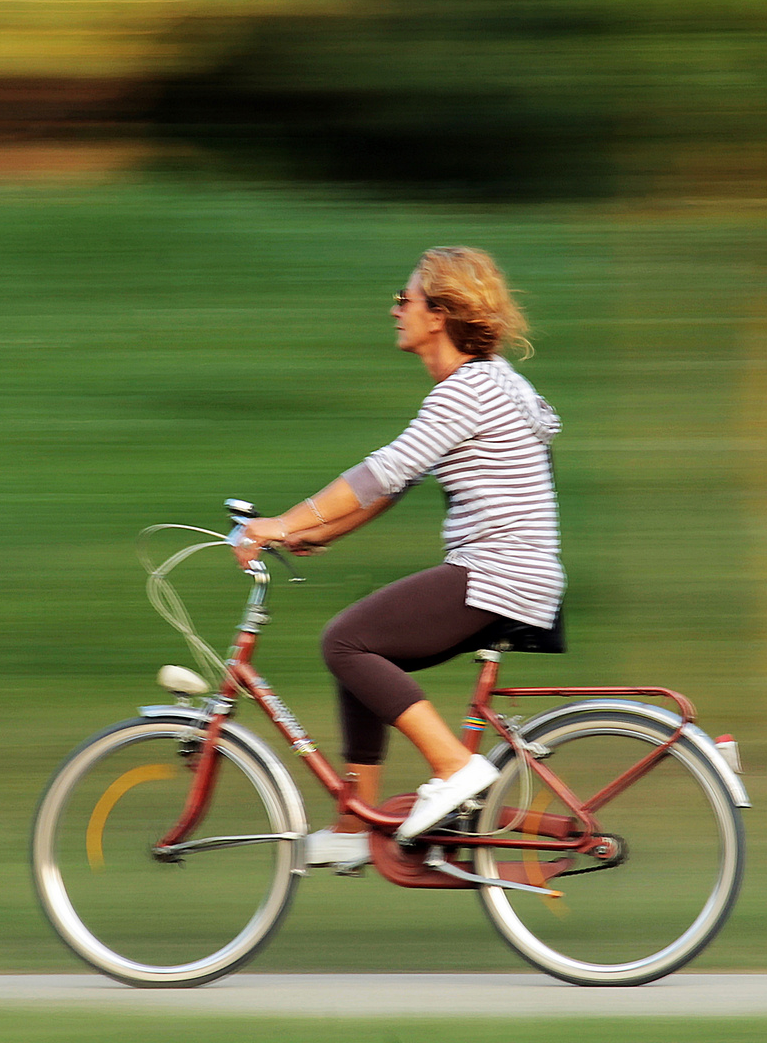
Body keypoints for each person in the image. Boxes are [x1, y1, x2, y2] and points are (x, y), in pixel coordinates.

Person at [232, 246, 563, 865]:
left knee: (345, 642)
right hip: (520, 575)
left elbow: (378, 473)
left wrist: (279, 523)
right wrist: (317, 534)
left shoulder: (467, 391)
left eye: (404, 298)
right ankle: (359, 828)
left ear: (438, 313)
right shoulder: (490, 384)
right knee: (364, 651)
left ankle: (453, 768)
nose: (394, 309)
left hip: (498, 575)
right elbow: (395, 485)